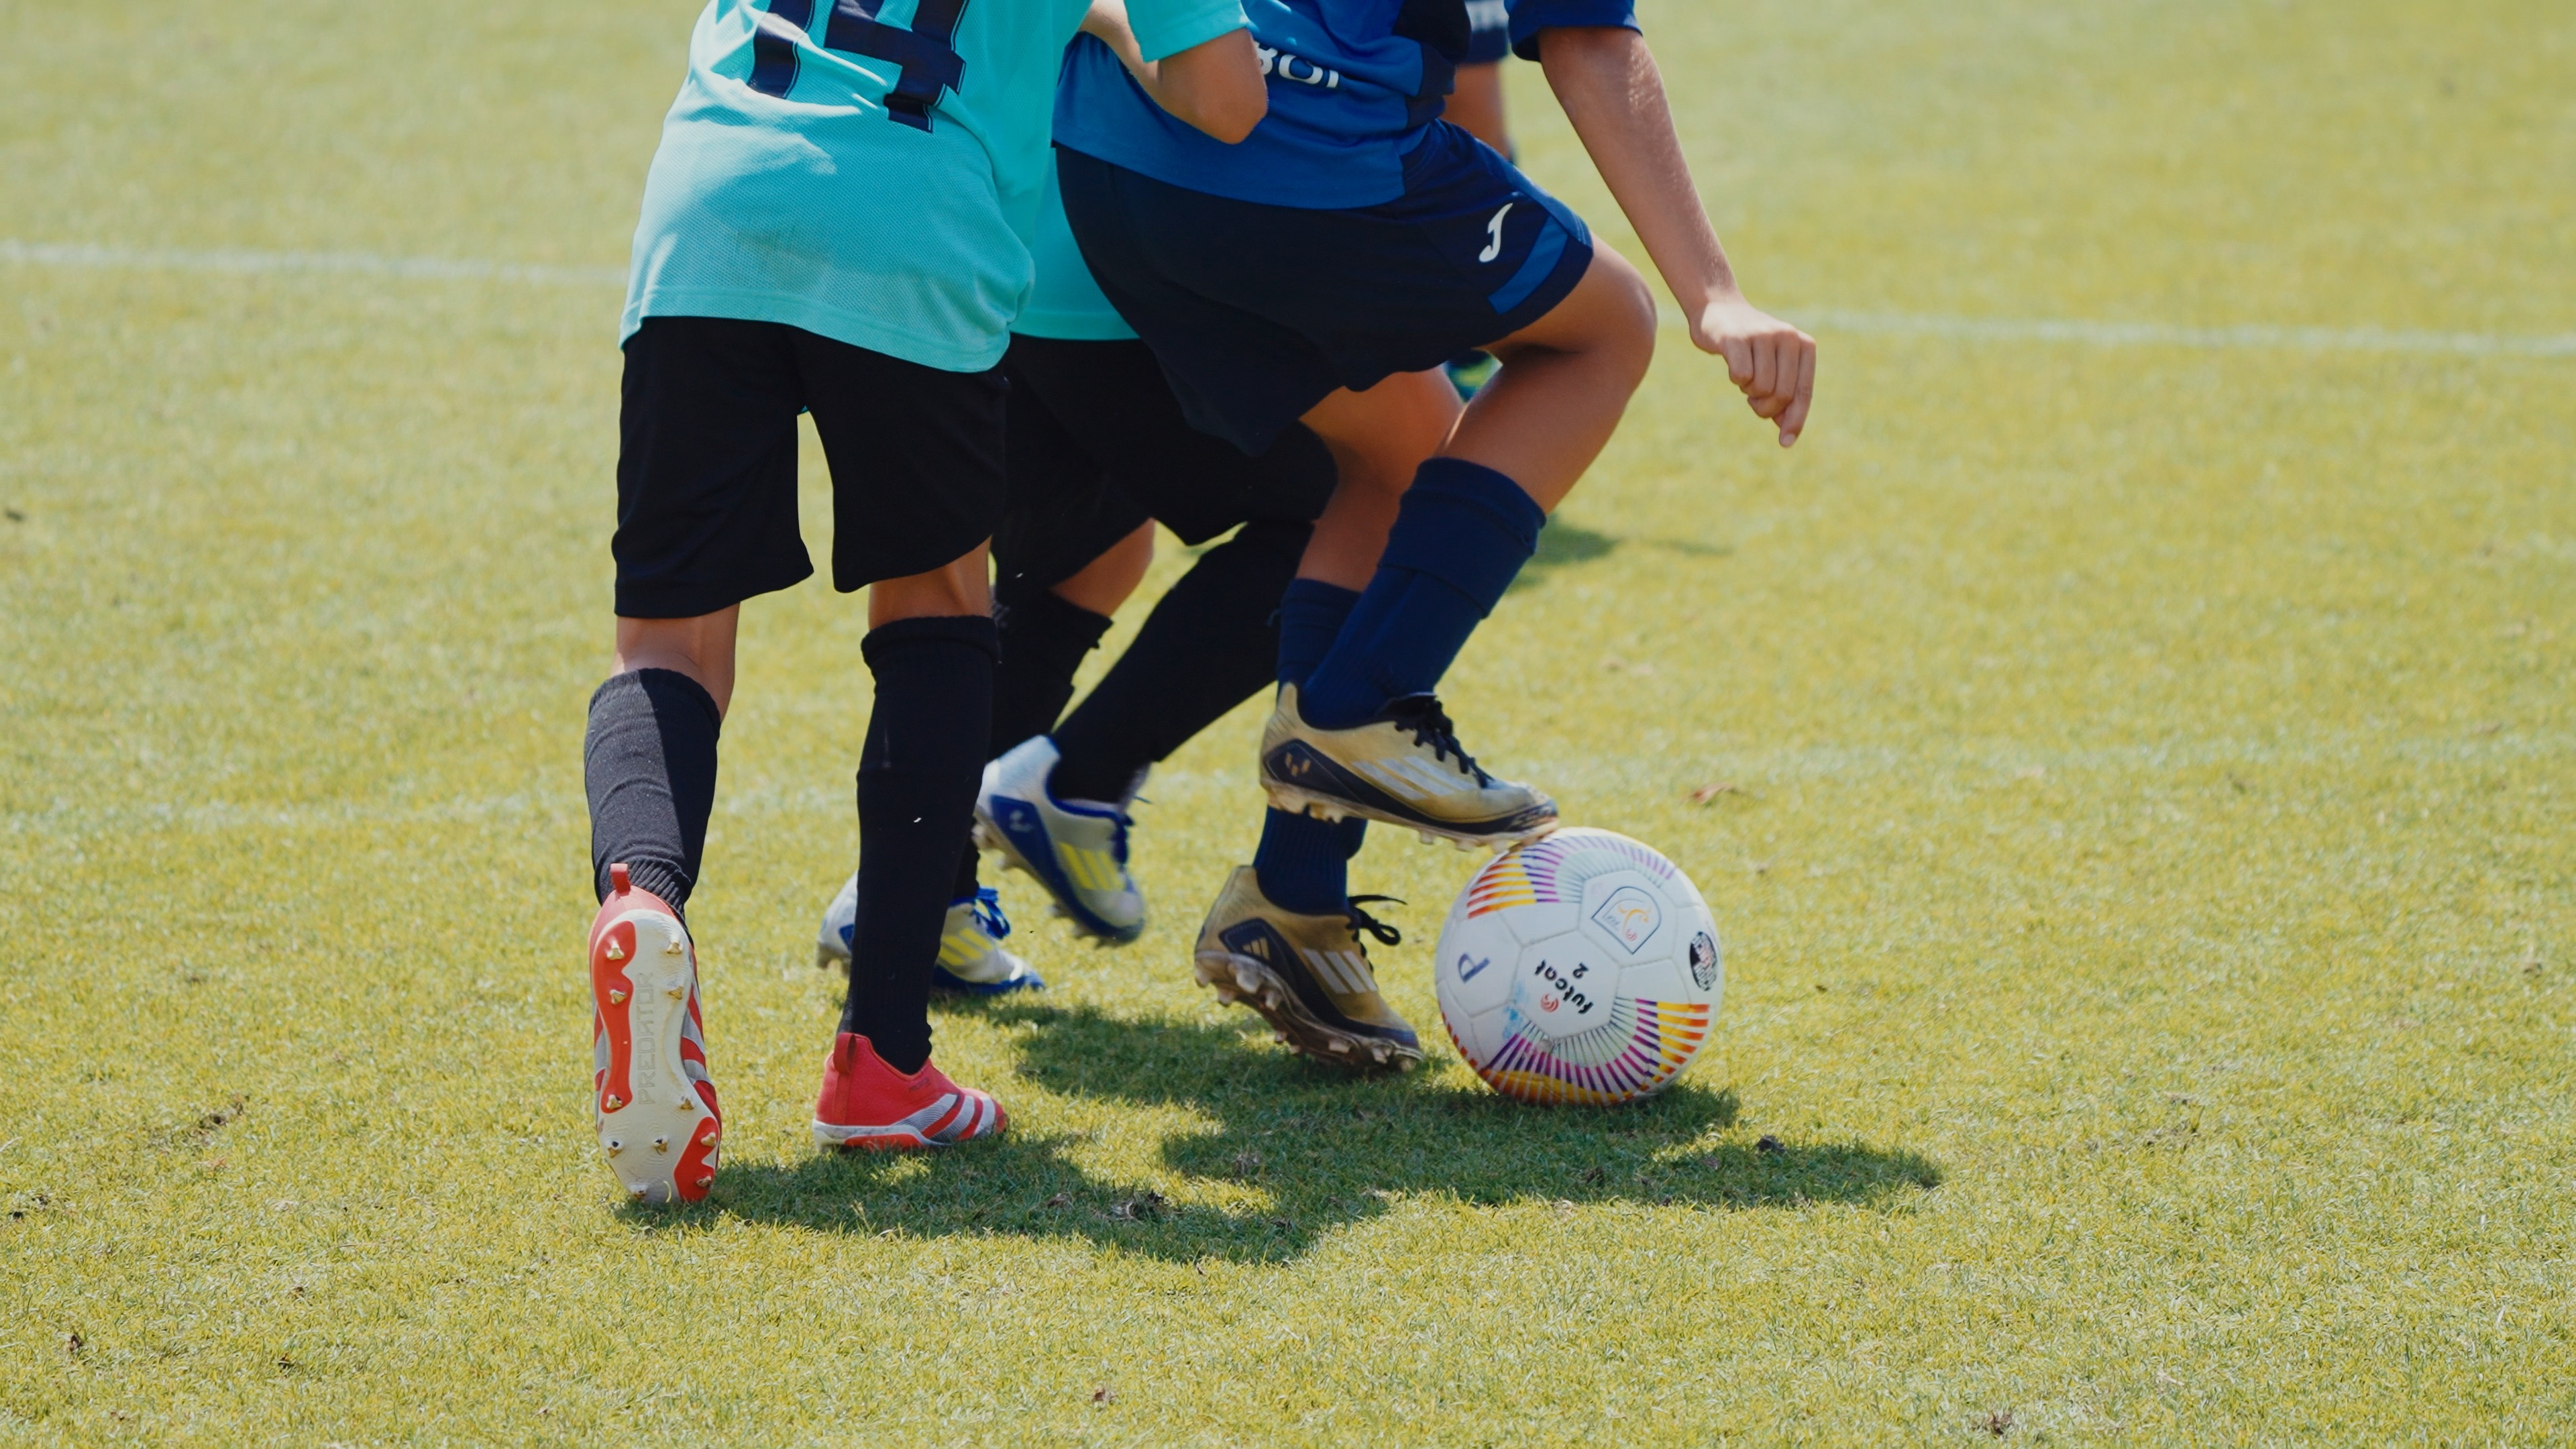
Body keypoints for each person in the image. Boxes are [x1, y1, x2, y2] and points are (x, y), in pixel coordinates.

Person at [581, 0, 1266, 1202]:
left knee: (669, 642)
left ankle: (641, 897)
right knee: (938, 611)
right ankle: (883, 1064)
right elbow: (1226, 97)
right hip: (915, 216)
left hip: (712, 196)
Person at [1051, 0, 1818, 1068]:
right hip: (1297, 160)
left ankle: (1294, 908)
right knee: (1603, 331)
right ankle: (1356, 711)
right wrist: (1717, 296)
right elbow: (1585, 39)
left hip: (1106, 158)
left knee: (1395, 448)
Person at [814, 152, 1355, 1004]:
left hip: (1000, 238)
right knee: (1353, 510)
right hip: (1117, 260)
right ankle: (1078, 782)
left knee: (1082, 558)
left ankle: (915, 903)